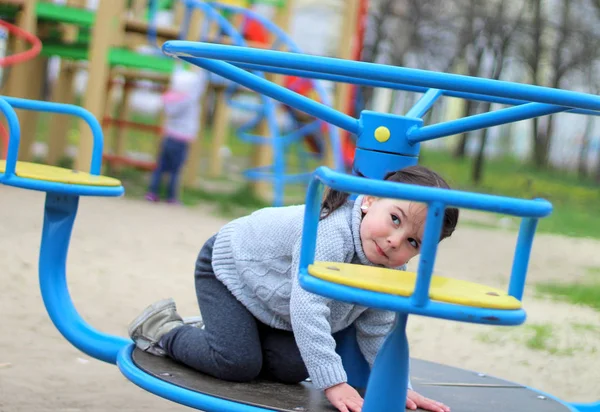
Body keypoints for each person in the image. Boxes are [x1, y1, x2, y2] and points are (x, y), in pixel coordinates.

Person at [130, 165, 459, 412]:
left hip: (272, 301)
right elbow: (308, 308)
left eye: (412, 242)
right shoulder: (332, 234)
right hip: (230, 269)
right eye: (395, 219)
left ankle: (226, 333)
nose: (394, 241)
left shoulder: (391, 267)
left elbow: (378, 329)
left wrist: (397, 384)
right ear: (369, 200)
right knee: (236, 364)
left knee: (293, 367)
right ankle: (164, 328)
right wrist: (335, 383)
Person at [145, 66, 207, 204]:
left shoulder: (170, 97)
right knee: (175, 170)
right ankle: (171, 197)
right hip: (182, 139)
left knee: (160, 167)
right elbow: (199, 86)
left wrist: (177, 63)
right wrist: (201, 69)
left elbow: (176, 76)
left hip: (168, 136)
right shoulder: (189, 99)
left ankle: (152, 193)